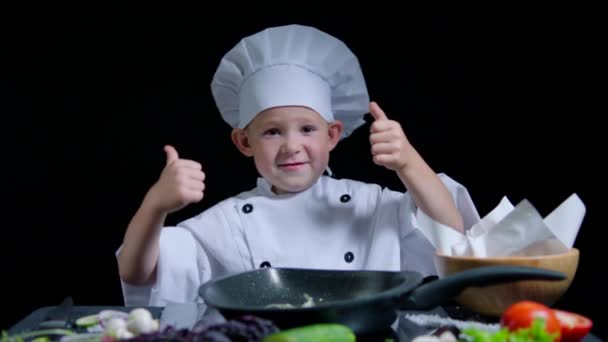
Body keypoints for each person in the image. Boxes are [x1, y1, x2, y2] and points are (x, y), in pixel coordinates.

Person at [116, 24, 481, 307]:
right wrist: (156, 206)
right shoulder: (225, 224)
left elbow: (452, 236)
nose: (292, 146)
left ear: (332, 135)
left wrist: (409, 163)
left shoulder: (372, 206)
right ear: (244, 142)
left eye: (308, 129)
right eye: (272, 132)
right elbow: (138, 272)